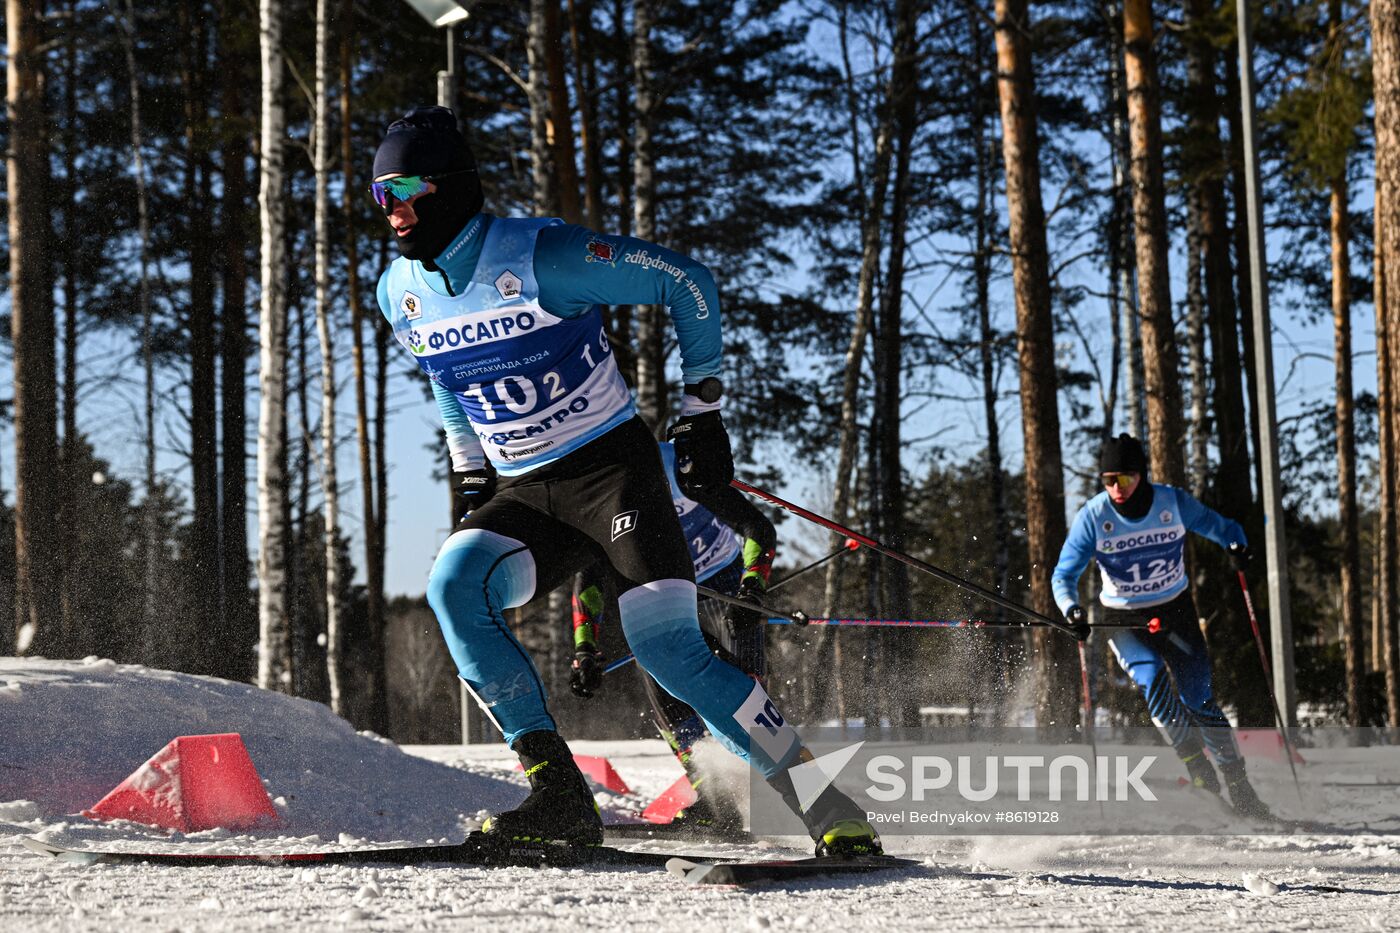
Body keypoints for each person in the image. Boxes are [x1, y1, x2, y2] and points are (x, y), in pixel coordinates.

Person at [371, 106, 878, 856]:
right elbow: (445, 376)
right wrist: (473, 478)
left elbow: (689, 283)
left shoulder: (544, 255)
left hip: (613, 475)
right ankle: (557, 792)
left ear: (450, 187)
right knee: (454, 584)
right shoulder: (398, 292)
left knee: (667, 648)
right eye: (379, 195)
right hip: (526, 491)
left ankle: (823, 798)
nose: (395, 210)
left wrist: (703, 413)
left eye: (406, 188)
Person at [1051, 433, 1271, 819]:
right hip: (1121, 618)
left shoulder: (1172, 502)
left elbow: (1223, 527)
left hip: (1175, 611)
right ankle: (1198, 770)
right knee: (1152, 680)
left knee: (1198, 697)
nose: (1115, 489)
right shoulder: (1094, 516)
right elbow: (1063, 575)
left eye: (1124, 479)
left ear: (1142, 475)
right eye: (1108, 480)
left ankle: (1240, 786)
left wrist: (1237, 545)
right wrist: (1071, 611)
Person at [570, 439, 778, 833]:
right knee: (661, 675)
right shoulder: (598, 495)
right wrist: (585, 646)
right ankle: (715, 800)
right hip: (662, 589)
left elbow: (757, 528)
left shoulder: (677, 468)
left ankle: (782, 787)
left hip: (723, 579)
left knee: (745, 689)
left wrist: (752, 589)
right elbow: (589, 576)